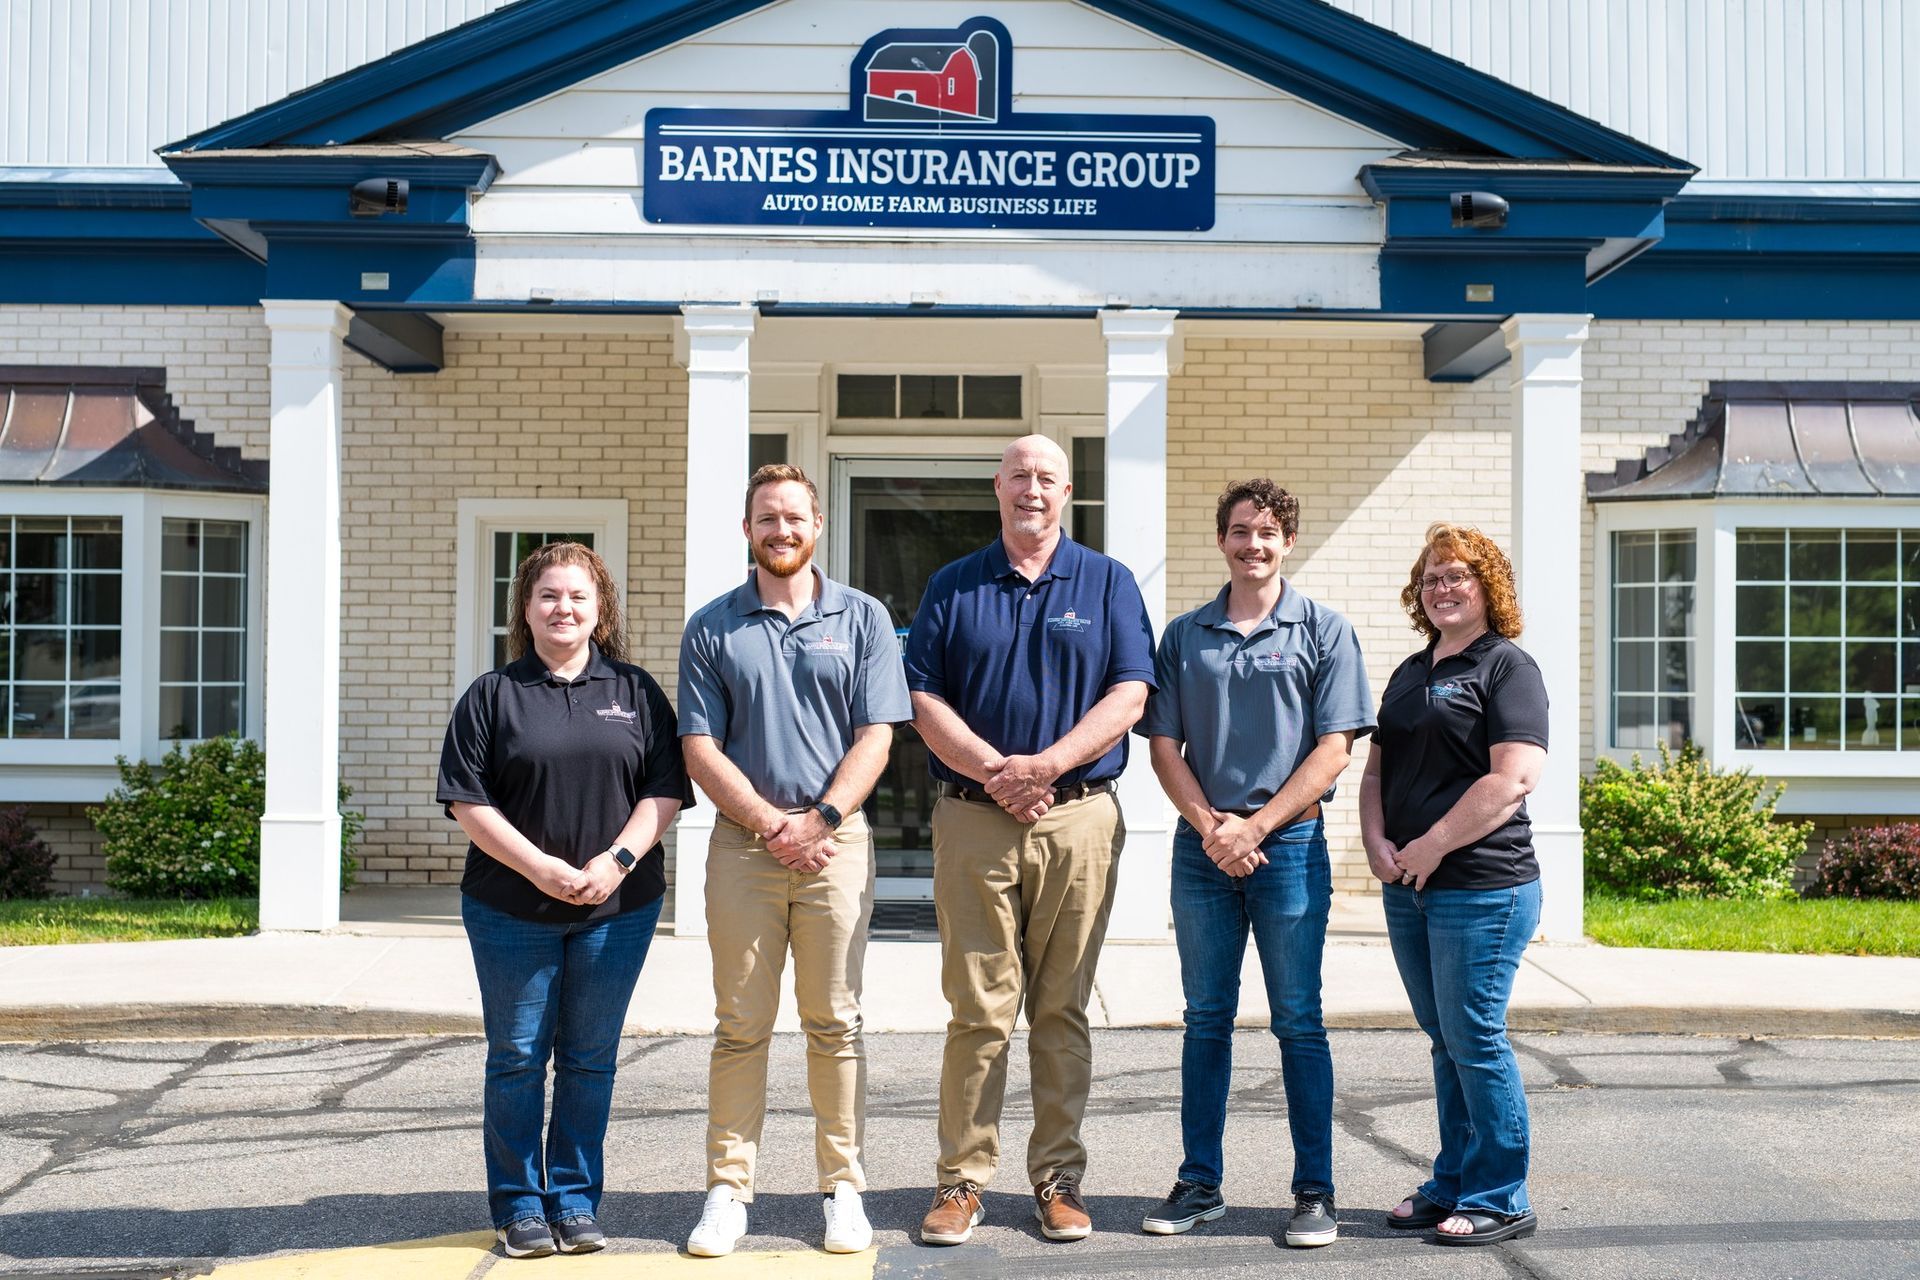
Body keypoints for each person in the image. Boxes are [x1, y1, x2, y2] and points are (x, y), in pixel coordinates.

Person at [905, 434, 1155, 1246]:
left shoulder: (1108, 581)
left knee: (1061, 1008)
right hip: (974, 818)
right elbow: (922, 697)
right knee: (978, 1012)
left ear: (1068, 490)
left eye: (1047, 477)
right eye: (1019, 476)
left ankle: (1058, 1178)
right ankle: (960, 1182)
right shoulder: (954, 584)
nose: (1033, 490)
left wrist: (1046, 764)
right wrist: (995, 770)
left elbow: (1131, 691)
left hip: (1078, 816)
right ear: (998, 486)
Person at [677, 464, 912, 1258]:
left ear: (818, 527)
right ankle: (727, 1192)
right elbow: (699, 746)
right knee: (740, 1027)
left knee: (834, 1024)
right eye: (766, 518)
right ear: (747, 529)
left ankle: (843, 1188)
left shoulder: (865, 617)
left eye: (794, 517)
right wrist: (772, 822)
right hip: (744, 848)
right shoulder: (713, 626)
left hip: (836, 846)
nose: (781, 530)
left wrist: (821, 819)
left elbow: (877, 733)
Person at [436, 540, 691, 1259]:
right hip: (509, 909)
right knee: (517, 1056)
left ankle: (574, 1201)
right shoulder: (492, 696)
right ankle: (519, 1205)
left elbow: (664, 790)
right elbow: (466, 801)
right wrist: (542, 867)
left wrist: (615, 862)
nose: (563, 608)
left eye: (579, 596)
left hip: (619, 905)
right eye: (549, 595)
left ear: (601, 611)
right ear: (526, 609)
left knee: (589, 1058)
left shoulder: (636, 692)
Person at [1137, 479, 1373, 1247]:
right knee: (1206, 1020)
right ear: (1222, 541)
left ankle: (1314, 1192)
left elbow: (1334, 748)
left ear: (1288, 542)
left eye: (1268, 532)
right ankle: (1199, 1184)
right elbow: (1165, 748)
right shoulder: (1184, 635)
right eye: (1241, 532)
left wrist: (1257, 827)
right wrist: (1213, 828)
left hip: (1292, 847)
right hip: (1202, 849)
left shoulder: (1325, 631)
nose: (1254, 545)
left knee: (1298, 1021)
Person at [1358, 522, 1547, 1247]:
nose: (1442, 587)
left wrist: (1432, 846)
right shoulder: (1412, 672)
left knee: (1475, 1034)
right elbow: (1377, 770)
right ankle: (1454, 1182)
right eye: (1431, 577)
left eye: (1457, 575)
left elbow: (1514, 778)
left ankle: (1500, 1195)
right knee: (1446, 1038)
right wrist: (1376, 842)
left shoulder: (1507, 668)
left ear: (1486, 586)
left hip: (1483, 883)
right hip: (1412, 883)